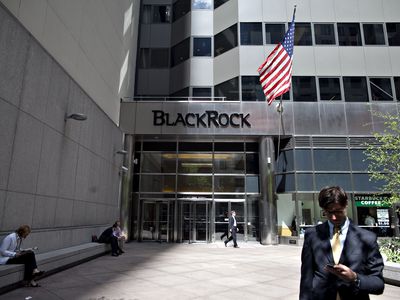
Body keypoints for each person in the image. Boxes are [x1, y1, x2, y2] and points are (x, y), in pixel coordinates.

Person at [300, 186, 384, 300]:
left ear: (346, 205)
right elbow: (306, 278)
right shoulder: (312, 235)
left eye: (338, 211)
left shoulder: (367, 238)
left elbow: (378, 284)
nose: (334, 217)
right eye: (329, 212)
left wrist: (355, 278)